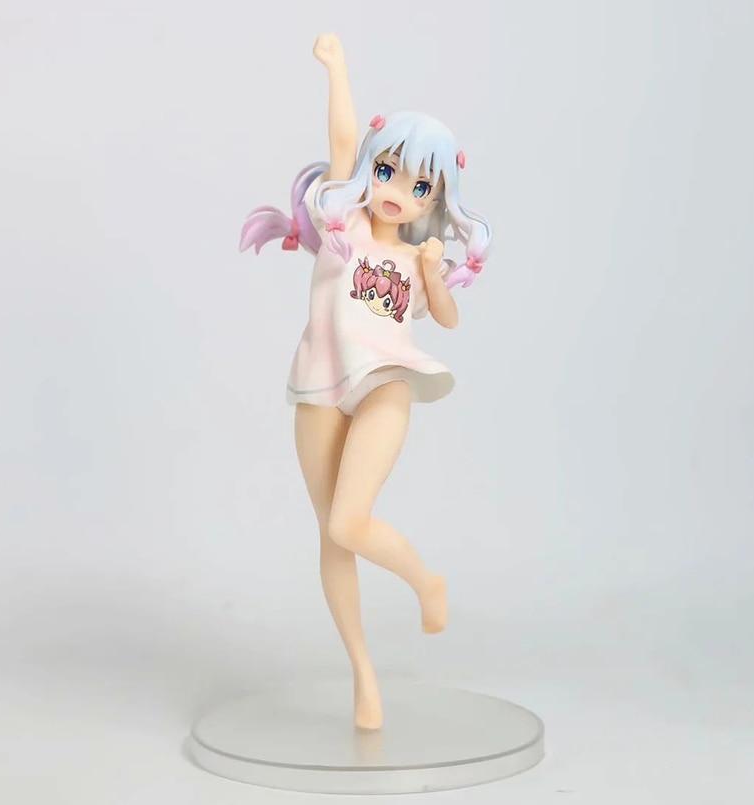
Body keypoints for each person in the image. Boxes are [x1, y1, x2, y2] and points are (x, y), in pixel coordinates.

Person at [240, 33, 491, 730]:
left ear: (435, 198)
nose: (397, 194)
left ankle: (425, 580)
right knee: (332, 535)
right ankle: (364, 677)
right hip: (320, 383)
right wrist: (337, 70)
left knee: (350, 520)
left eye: (419, 187)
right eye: (388, 172)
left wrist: (434, 270)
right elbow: (344, 140)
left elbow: (447, 319)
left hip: (385, 382)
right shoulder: (341, 221)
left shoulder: (414, 259)